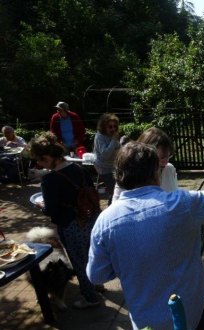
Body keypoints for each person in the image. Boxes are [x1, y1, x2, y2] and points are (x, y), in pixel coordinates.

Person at [86, 141, 204, 330]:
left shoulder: (105, 222)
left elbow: (96, 275)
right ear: (156, 173)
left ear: (119, 176)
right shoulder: (182, 203)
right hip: (192, 312)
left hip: (146, 320)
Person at [29, 131, 101, 309]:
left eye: (40, 160)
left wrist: (41, 206)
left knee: (79, 262)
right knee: (92, 255)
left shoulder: (50, 180)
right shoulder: (80, 169)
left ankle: (91, 297)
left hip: (71, 226)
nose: (39, 164)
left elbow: (51, 210)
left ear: (47, 157)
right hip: (90, 219)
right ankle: (98, 283)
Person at [112, 127, 177, 202]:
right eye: (161, 158)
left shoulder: (169, 169)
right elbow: (116, 206)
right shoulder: (128, 176)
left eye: (168, 156)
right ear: (144, 154)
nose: (166, 161)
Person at [93, 113, 121, 205]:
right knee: (113, 191)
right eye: (110, 126)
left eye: (114, 126)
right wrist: (113, 140)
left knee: (117, 189)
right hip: (103, 168)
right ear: (104, 126)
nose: (113, 129)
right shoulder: (99, 136)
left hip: (113, 166)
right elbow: (105, 154)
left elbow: (118, 148)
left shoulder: (113, 135)